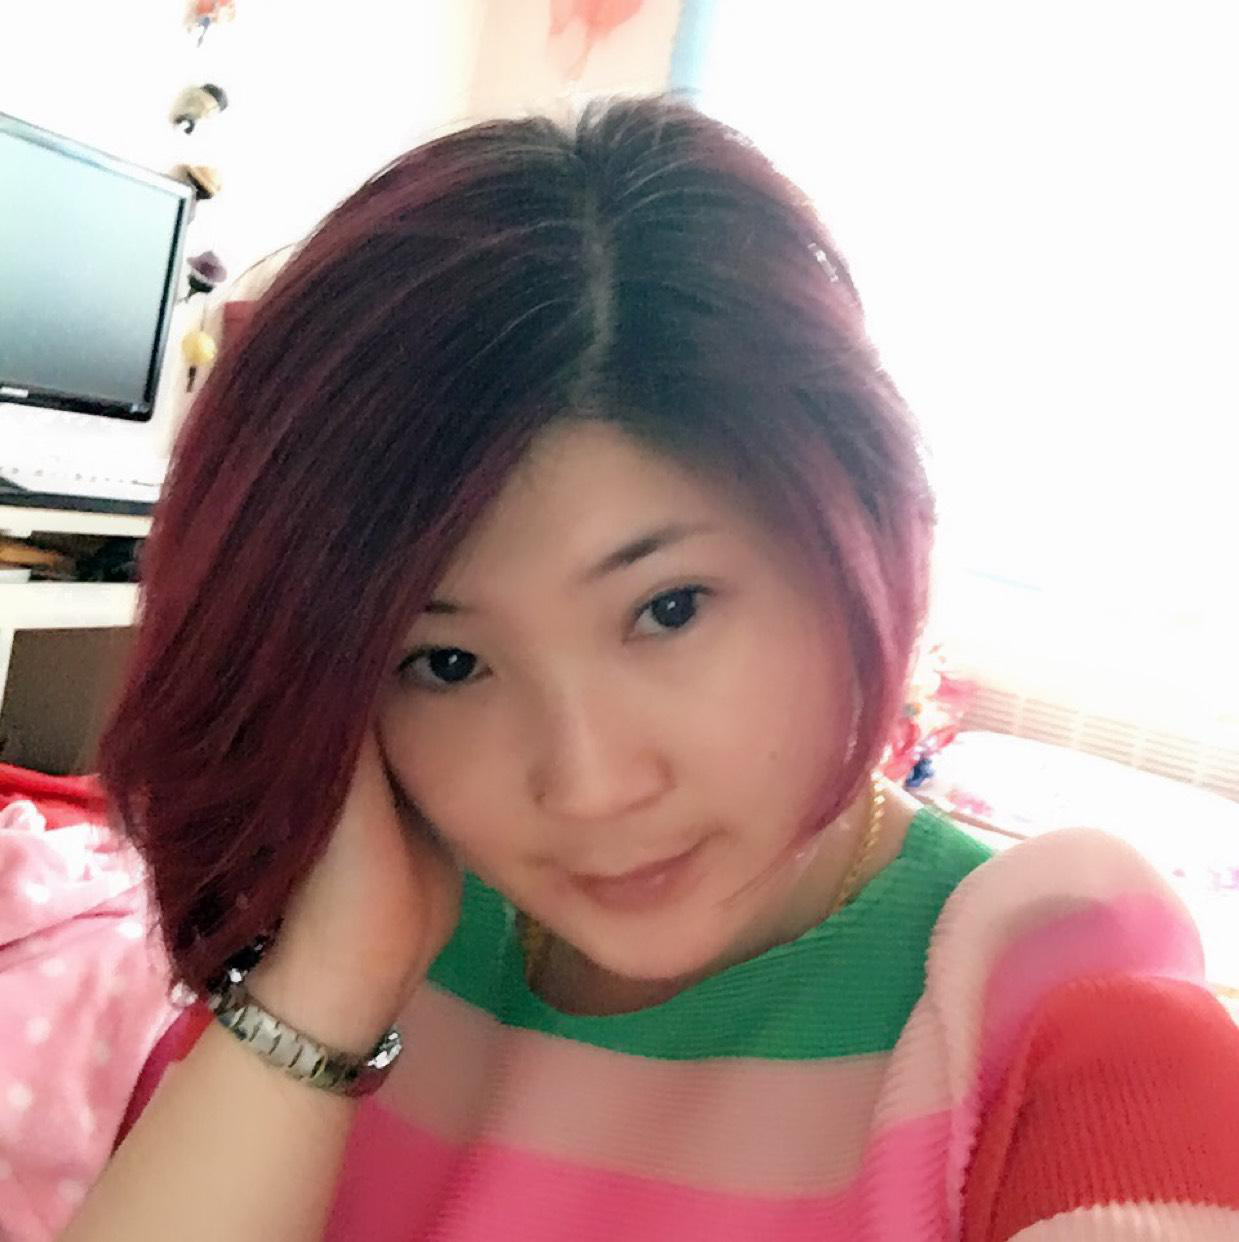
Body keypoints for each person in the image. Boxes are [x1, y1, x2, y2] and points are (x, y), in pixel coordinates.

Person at [63, 96, 1238, 1242]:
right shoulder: (365, 963)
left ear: (861, 532)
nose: (588, 786)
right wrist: (325, 992)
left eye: (668, 609)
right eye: (448, 662)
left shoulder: (1046, 1006)